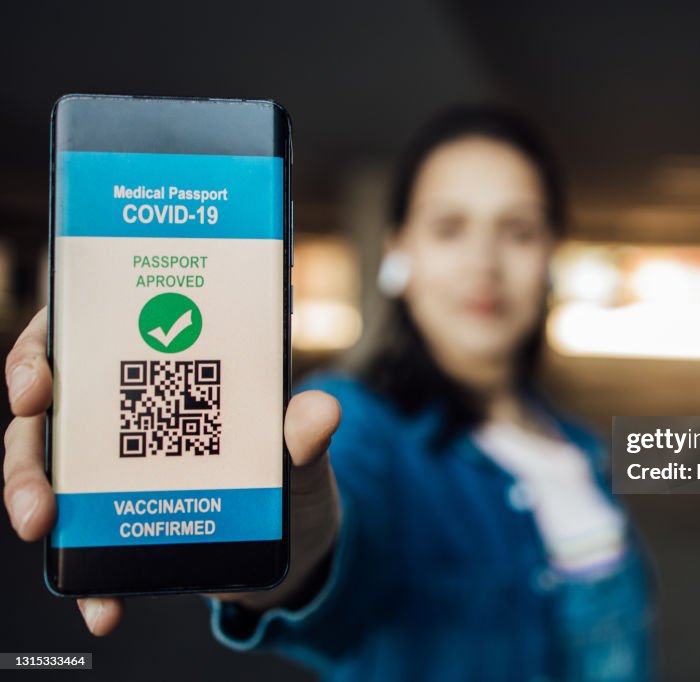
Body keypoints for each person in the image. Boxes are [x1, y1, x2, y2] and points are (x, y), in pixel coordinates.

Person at [3, 105, 658, 681]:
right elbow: (331, 553)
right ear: (399, 250)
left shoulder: (577, 442)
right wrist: (287, 539)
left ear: (551, 256)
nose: (484, 261)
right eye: (450, 227)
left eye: (518, 229)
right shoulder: (360, 423)